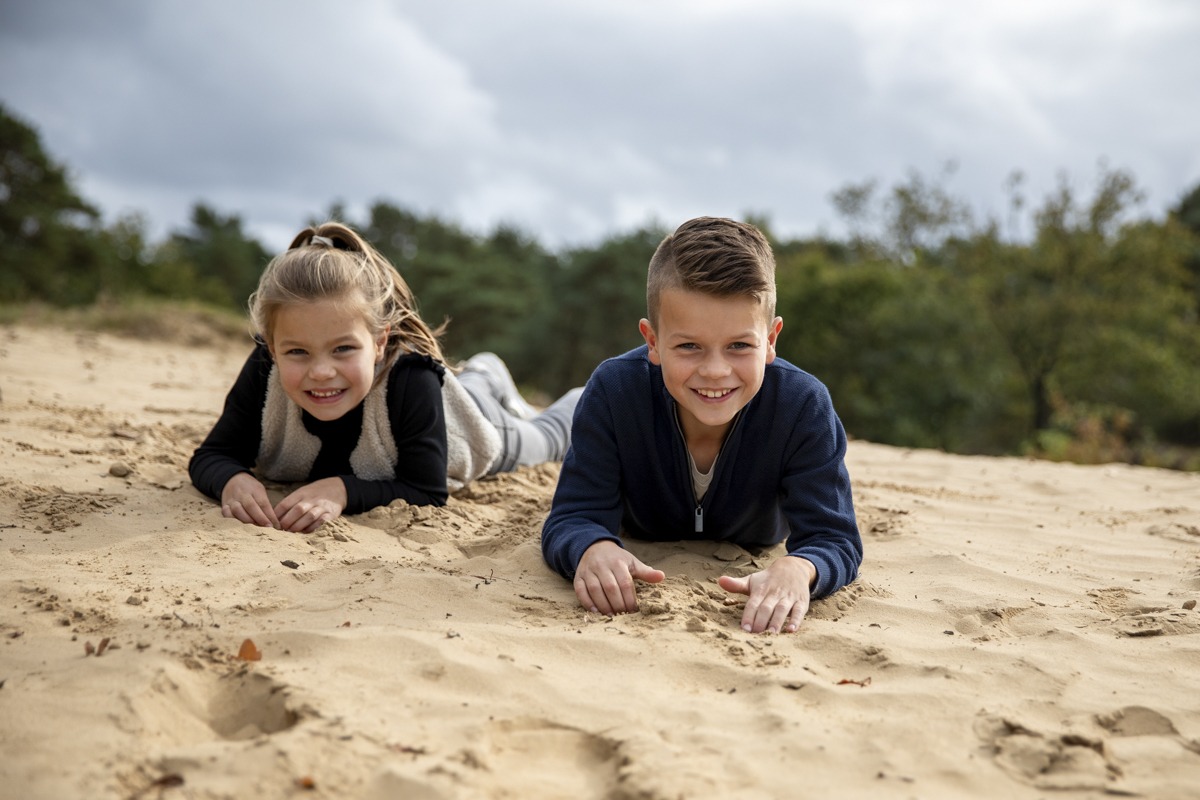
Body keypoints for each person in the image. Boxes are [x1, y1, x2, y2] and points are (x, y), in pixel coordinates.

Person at [541, 216, 862, 634]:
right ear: (652, 341)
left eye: (739, 346)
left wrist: (800, 568)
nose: (715, 371)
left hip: (757, 539)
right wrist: (592, 547)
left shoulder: (803, 405)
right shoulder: (614, 391)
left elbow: (835, 539)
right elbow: (571, 516)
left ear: (771, 340)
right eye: (689, 346)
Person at [189, 222, 581, 533]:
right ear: (271, 349)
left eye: (343, 348)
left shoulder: (412, 378)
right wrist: (232, 480)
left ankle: (562, 394)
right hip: (441, 398)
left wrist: (341, 489)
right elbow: (212, 455)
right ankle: (483, 372)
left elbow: (427, 490)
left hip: (467, 422)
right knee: (475, 380)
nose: (321, 371)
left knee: (548, 438)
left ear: (379, 343)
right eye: (297, 352)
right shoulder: (264, 371)